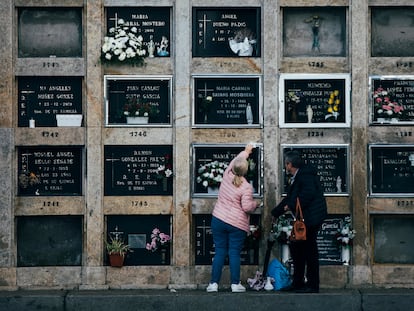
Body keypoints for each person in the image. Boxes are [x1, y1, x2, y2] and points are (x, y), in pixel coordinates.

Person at [272, 150, 327, 293]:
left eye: (286, 164)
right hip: (306, 219)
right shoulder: (300, 175)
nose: (286, 167)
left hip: (311, 219)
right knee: (297, 250)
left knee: (309, 252)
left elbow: (307, 194)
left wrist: (289, 206)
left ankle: (312, 285)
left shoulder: (305, 175)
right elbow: (291, 197)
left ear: (289, 164)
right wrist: (276, 212)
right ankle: (298, 283)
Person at [206, 144, 259, 293]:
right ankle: (235, 284)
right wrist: (256, 204)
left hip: (219, 219)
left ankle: (213, 284)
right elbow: (247, 207)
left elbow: (237, 160)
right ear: (246, 171)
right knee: (234, 253)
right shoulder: (246, 187)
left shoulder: (227, 174)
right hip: (236, 224)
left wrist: (246, 151)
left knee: (220, 252)